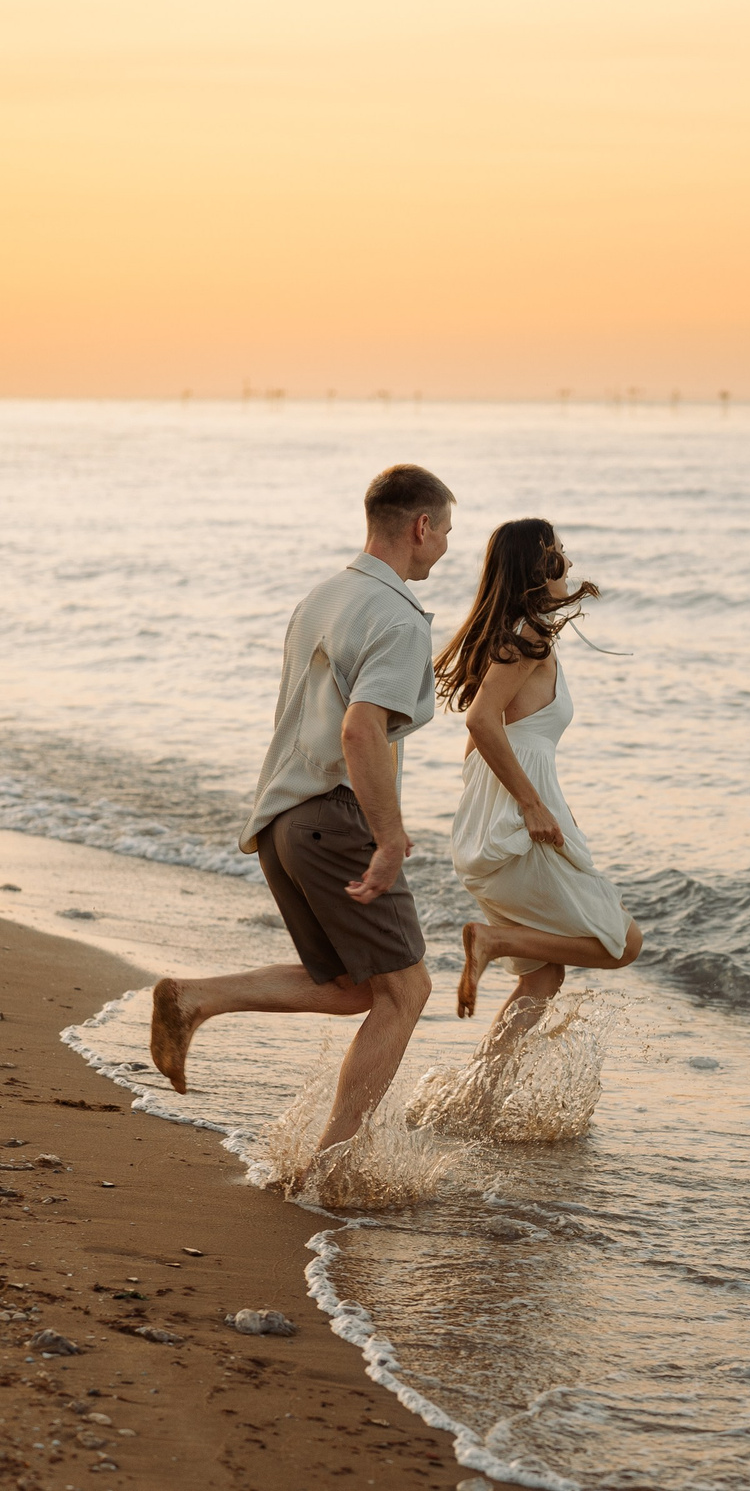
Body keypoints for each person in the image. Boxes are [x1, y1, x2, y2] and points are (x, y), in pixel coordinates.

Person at [148, 464, 453, 1183]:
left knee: (354, 986)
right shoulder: (399, 615)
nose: (445, 546)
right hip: (334, 817)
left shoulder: (322, 598)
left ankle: (195, 998)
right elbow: (360, 730)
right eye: (445, 531)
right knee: (407, 991)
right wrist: (390, 838)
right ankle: (332, 1168)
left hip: (284, 821)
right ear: (420, 527)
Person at [438, 517, 643, 1046]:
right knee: (623, 943)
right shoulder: (531, 637)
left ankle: (481, 1089)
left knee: (543, 977)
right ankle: (493, 941)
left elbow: (480, 746)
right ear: (538, 566)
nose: (568, 562)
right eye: (558, 552)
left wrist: (514, 806)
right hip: (514, 825)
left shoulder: (512, 635)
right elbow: (480, 722)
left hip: (499, 821)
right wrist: (529, 805)